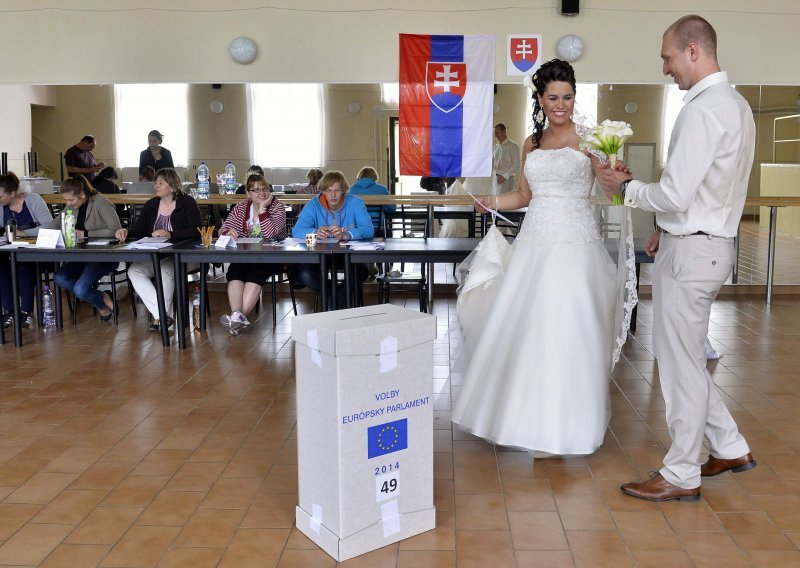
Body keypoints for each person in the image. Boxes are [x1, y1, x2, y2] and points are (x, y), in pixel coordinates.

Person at [595, 15, 757, 502]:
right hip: (702, 244)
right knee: (681, 357)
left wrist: (625, 187)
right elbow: (700, 193)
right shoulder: (737, 106)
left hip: (694, 252)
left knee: (680, 365)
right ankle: (729, 446)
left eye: (667, 57)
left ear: (692, 50)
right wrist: (664, 229)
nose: (665, 68)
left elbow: (677, 193)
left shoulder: (705, 109)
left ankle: (682, 471)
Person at [451, 59, 633, 456]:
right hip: (536, 241)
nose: (561, 105)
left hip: (575, 245)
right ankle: (525, 421)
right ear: (540, 99)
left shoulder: (590, 140)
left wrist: (615, 173)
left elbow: (609, 194)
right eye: (553, 97)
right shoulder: (532, 143)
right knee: (530, 329)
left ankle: (571, 425)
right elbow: (525, 197)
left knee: (570, 332)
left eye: (567, 97)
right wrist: (492, 201)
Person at [116, 168, 202, 332]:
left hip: (185, 256)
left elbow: (198, 229)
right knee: (134, 271)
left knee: (165, 270)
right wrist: (126, 231)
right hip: (158, 255)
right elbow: (139, 228)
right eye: (155, 182)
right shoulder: (152, 204)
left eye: (160, 182)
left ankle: (162, 318)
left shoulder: (187, 202)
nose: (156, 185)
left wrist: (171, 234)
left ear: (173, 185)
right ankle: (164, 316)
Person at [291, 171, 374, 309]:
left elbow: (368, 229)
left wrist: (347, 234)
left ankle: (332, 304)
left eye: (337, 190)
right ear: (323, 191)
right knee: (305, 274)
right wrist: (315, 232)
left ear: (344, 191)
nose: (333, 195)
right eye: (329, 191)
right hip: (322, 254)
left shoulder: (356, 203)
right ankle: (338, 301)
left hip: (349, 254)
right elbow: (297, 230)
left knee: (361, 272)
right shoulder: (313, 204)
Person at [218, 174, 286, 335]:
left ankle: (237, 319)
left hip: (271, 257)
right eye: (255, 190)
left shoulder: (277, 207)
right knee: (235, 272)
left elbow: (270, 234)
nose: (261, 193)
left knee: (256, 272)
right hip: (245, 255)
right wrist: (229, 231)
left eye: (264, 188)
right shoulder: (241, 208)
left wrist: (263, 209)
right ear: (248, 194)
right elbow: (223, 229)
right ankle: (237, 317)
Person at [50, 176, 121, 321]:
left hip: (103, 256)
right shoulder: (72, 205)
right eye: (66, 200)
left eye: (71, 200)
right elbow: (58, 222)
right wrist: (42, 233)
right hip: (81, 255)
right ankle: (101, 297)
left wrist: (86, 234)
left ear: (82, 195)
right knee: (59, 277)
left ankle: (101, 306)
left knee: (80, 290)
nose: (68, 203)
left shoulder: (100, 202)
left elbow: (115, 229)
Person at [0, 172, 54, 329]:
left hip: (37, 251)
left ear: (12, 193)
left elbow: (49, 226)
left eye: (0, 196)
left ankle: (26, 311)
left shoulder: (34, 200)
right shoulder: (2, 207)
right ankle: (9, 311)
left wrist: (25, 233)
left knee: (22, 265)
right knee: (1, 265)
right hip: (10, 250)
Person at [348, 167, 396, 235]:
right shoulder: (382, 190)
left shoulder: (350, 190)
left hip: (356, 228)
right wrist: (384, 207)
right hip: (378, 228)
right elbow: (392, 208)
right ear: (374, 177)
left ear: (359, 177)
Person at [492, 123, 520, 195]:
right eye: (495, 133)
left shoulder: (513, 146)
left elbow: (516, 164)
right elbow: (492, 163)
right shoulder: (495, 147)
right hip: (495, 179)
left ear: (504, 131)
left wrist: (505, 176)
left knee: (503, 203)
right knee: (496, 201)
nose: (495, 135)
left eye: (497, 133)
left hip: (506, 179)